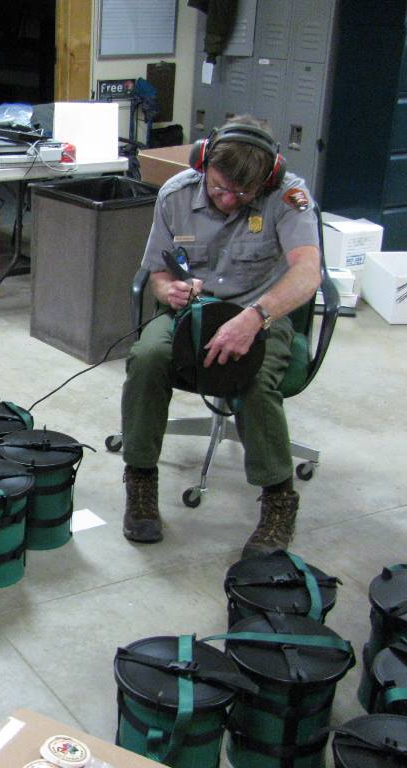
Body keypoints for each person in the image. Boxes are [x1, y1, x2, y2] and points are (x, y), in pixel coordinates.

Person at [120, 116, 321, 558]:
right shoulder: (175, 195)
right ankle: (140, 480)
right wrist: (166, 289)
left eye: (242, 193)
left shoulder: (287, 197)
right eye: (218, 188)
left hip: (262, 314)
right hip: (190, 312)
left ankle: (278, 499)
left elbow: (308, 272)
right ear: (203, 164)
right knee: (148, 357)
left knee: (252, 377)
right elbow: (155, 271)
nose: (228, 200)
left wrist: (256, 316)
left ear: (267, 178)